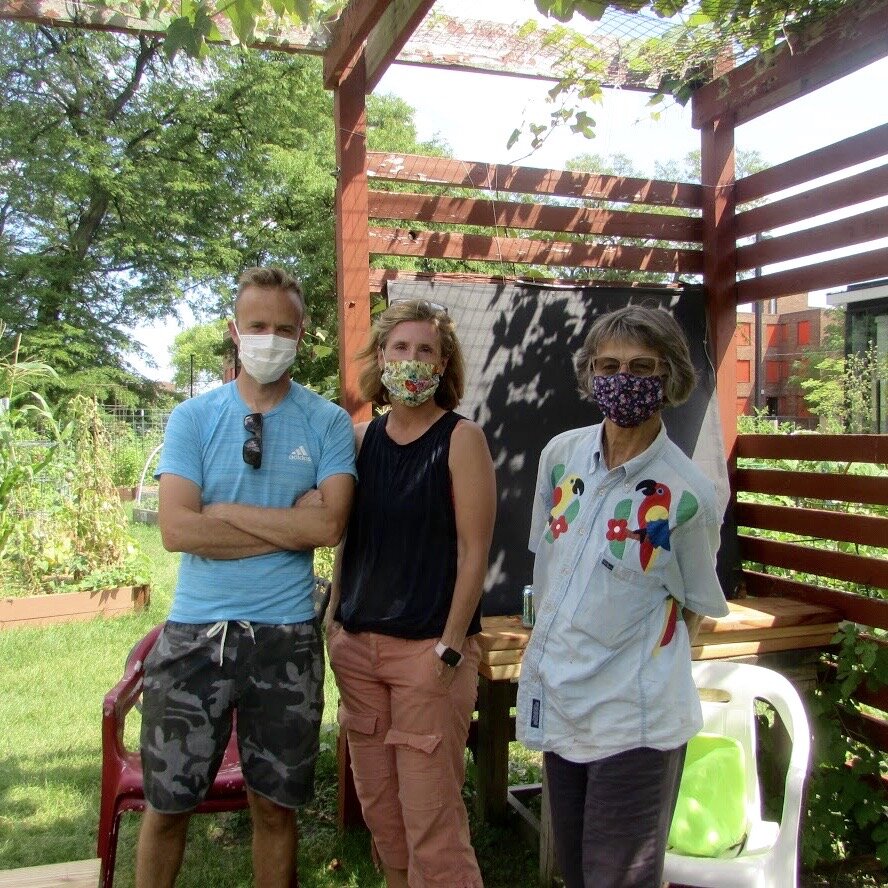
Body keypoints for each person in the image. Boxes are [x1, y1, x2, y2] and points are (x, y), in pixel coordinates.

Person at [135, 266, 356, 888]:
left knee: (275, 809)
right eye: (258, 326)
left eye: (284, 328)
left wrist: (224, 513)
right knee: (168, 806)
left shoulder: (327, 423)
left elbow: (328, 527)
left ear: (303, 334)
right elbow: (178, 530)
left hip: (285, 639)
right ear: (235, 331)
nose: (270, 338)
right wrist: (285, 521)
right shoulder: (193, 419)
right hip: (194, 638)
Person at [516, 304, 729, 888]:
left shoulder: (688, 495)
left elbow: (695, 610)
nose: (623, 379)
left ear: (669, 378)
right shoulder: (561, 458)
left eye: (642, 366)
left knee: (619, 879)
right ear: (589, 374)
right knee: (580, 873)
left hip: (636, 721)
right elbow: (553, 562)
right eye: (608, 364)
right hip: (565, 700)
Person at [326, 299, 496, 888]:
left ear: (443, 362)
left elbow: (475, 552)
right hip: (358, 653)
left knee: (433, 823)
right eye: (399, 347)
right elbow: (350, 535)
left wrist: (451, 646)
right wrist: (334, 621)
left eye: (424, 349)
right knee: (384, 818)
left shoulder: (461, 438)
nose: (411, 359)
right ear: (380, 358)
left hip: (428, 656)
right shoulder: (361, 440)